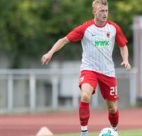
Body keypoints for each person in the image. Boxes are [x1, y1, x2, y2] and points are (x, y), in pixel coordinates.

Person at [41, 0, 131, 136]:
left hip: (108, 72)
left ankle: (115, 131)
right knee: (85, 95)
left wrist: (125, 60)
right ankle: (84, 132)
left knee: (112, 108)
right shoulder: (86, 28)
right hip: (89, 70)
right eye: (101, 11)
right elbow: (64, 40)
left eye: (106, 11)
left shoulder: (113, 28)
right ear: (94, 12)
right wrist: (50, 52)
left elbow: (123, 45)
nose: (105, 14)